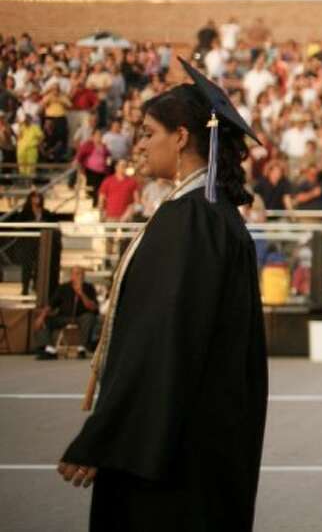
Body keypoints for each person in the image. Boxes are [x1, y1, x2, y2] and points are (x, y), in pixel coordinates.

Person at [57, 59, 268, 531]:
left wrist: (106, 433)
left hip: (172, 451)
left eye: (150, 131)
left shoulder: (193, 219)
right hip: (202, 439)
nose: (141, 143)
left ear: (182, 137)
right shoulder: (212, 215)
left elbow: (161, 340)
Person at [32, 267, 100, 359]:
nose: (78, 276)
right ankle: (48, 348)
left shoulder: (89, 288)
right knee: (44, 321)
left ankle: (82, 348)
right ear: (71, 276)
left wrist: (81, 293)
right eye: (75, 274)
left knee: (89, 318)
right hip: (64, 316)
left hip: (81, 316)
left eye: (80, 274)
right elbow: (51, 305)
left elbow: (93, 307)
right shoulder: (63, 288)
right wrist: (41, 316)